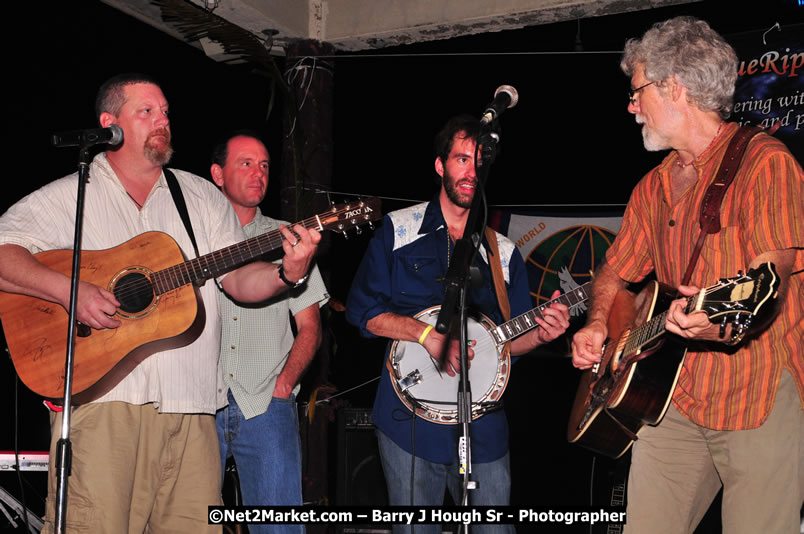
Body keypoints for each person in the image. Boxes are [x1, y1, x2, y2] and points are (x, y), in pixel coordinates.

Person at [0, 73, 320, 533]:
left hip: (193, 412)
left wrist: (287, 272)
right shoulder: (73, 194)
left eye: (166, 112)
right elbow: (5, 252)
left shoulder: (200, 197)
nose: (162, 121)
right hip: (106, 405)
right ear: (109, 124)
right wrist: (71, 292)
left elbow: (238, 281)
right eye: (146, 111)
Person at [571, 17, 803, 534]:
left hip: (755, 392)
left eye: (637, 92)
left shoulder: (767, 165)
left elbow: (770, 279)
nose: (631, 106)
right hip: (670, 395)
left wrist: (718, 323)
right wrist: (598, 325)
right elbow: (614, 270)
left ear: (674, 88)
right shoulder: (651, 187)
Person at [346, 114, 570, 533]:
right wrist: (427, 336)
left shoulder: (503, 251)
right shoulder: (399, 229)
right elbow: (365, 314)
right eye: (462, 159)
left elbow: (509, 341)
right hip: (408, 425)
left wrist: (541, 334)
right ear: (440, 166)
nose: (471, 170)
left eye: (480, 161)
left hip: (483, 426)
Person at [210, 131, 329, 533]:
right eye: (245, 163)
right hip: (200, 404)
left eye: (264, 165)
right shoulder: (192, 240)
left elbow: (310, 327)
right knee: (187, 521)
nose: (258, 173)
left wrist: (284, 385)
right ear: (217, 174)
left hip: (266, 403)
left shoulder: (292, 239)